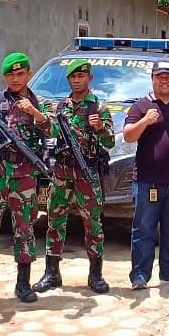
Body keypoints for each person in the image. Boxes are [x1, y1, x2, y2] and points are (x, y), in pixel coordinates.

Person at [0, 52, 52, 305]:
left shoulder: (41, 102)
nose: (15, 79)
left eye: (20, 74)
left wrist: (36, 113)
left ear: (28, 73)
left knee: (25, 229)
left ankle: (24, 283)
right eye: (10, 75)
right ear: (4, 76)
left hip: (25, 174)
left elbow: (54, 130)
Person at [34, 59, 115, 294]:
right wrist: (41, 120)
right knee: (54, 220)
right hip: (62, 172)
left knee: (93, 223)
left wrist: (100, 127)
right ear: (69, 80)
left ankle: (96, 274)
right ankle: (52, 273)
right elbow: (50, 132)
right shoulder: (61, 107)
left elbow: (110, 142)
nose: (77, 80)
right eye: (73, 77)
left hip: (87, 173)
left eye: (82, 76)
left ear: (89, 78)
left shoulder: (99, 108)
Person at [123, 60, 169, 289]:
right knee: (144, 230)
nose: (164, 80)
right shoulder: (140, 106)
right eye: (160, 76)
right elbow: (128, 136)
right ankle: (140, 275)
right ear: (153, 79)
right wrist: (145, 121)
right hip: (149, 181)